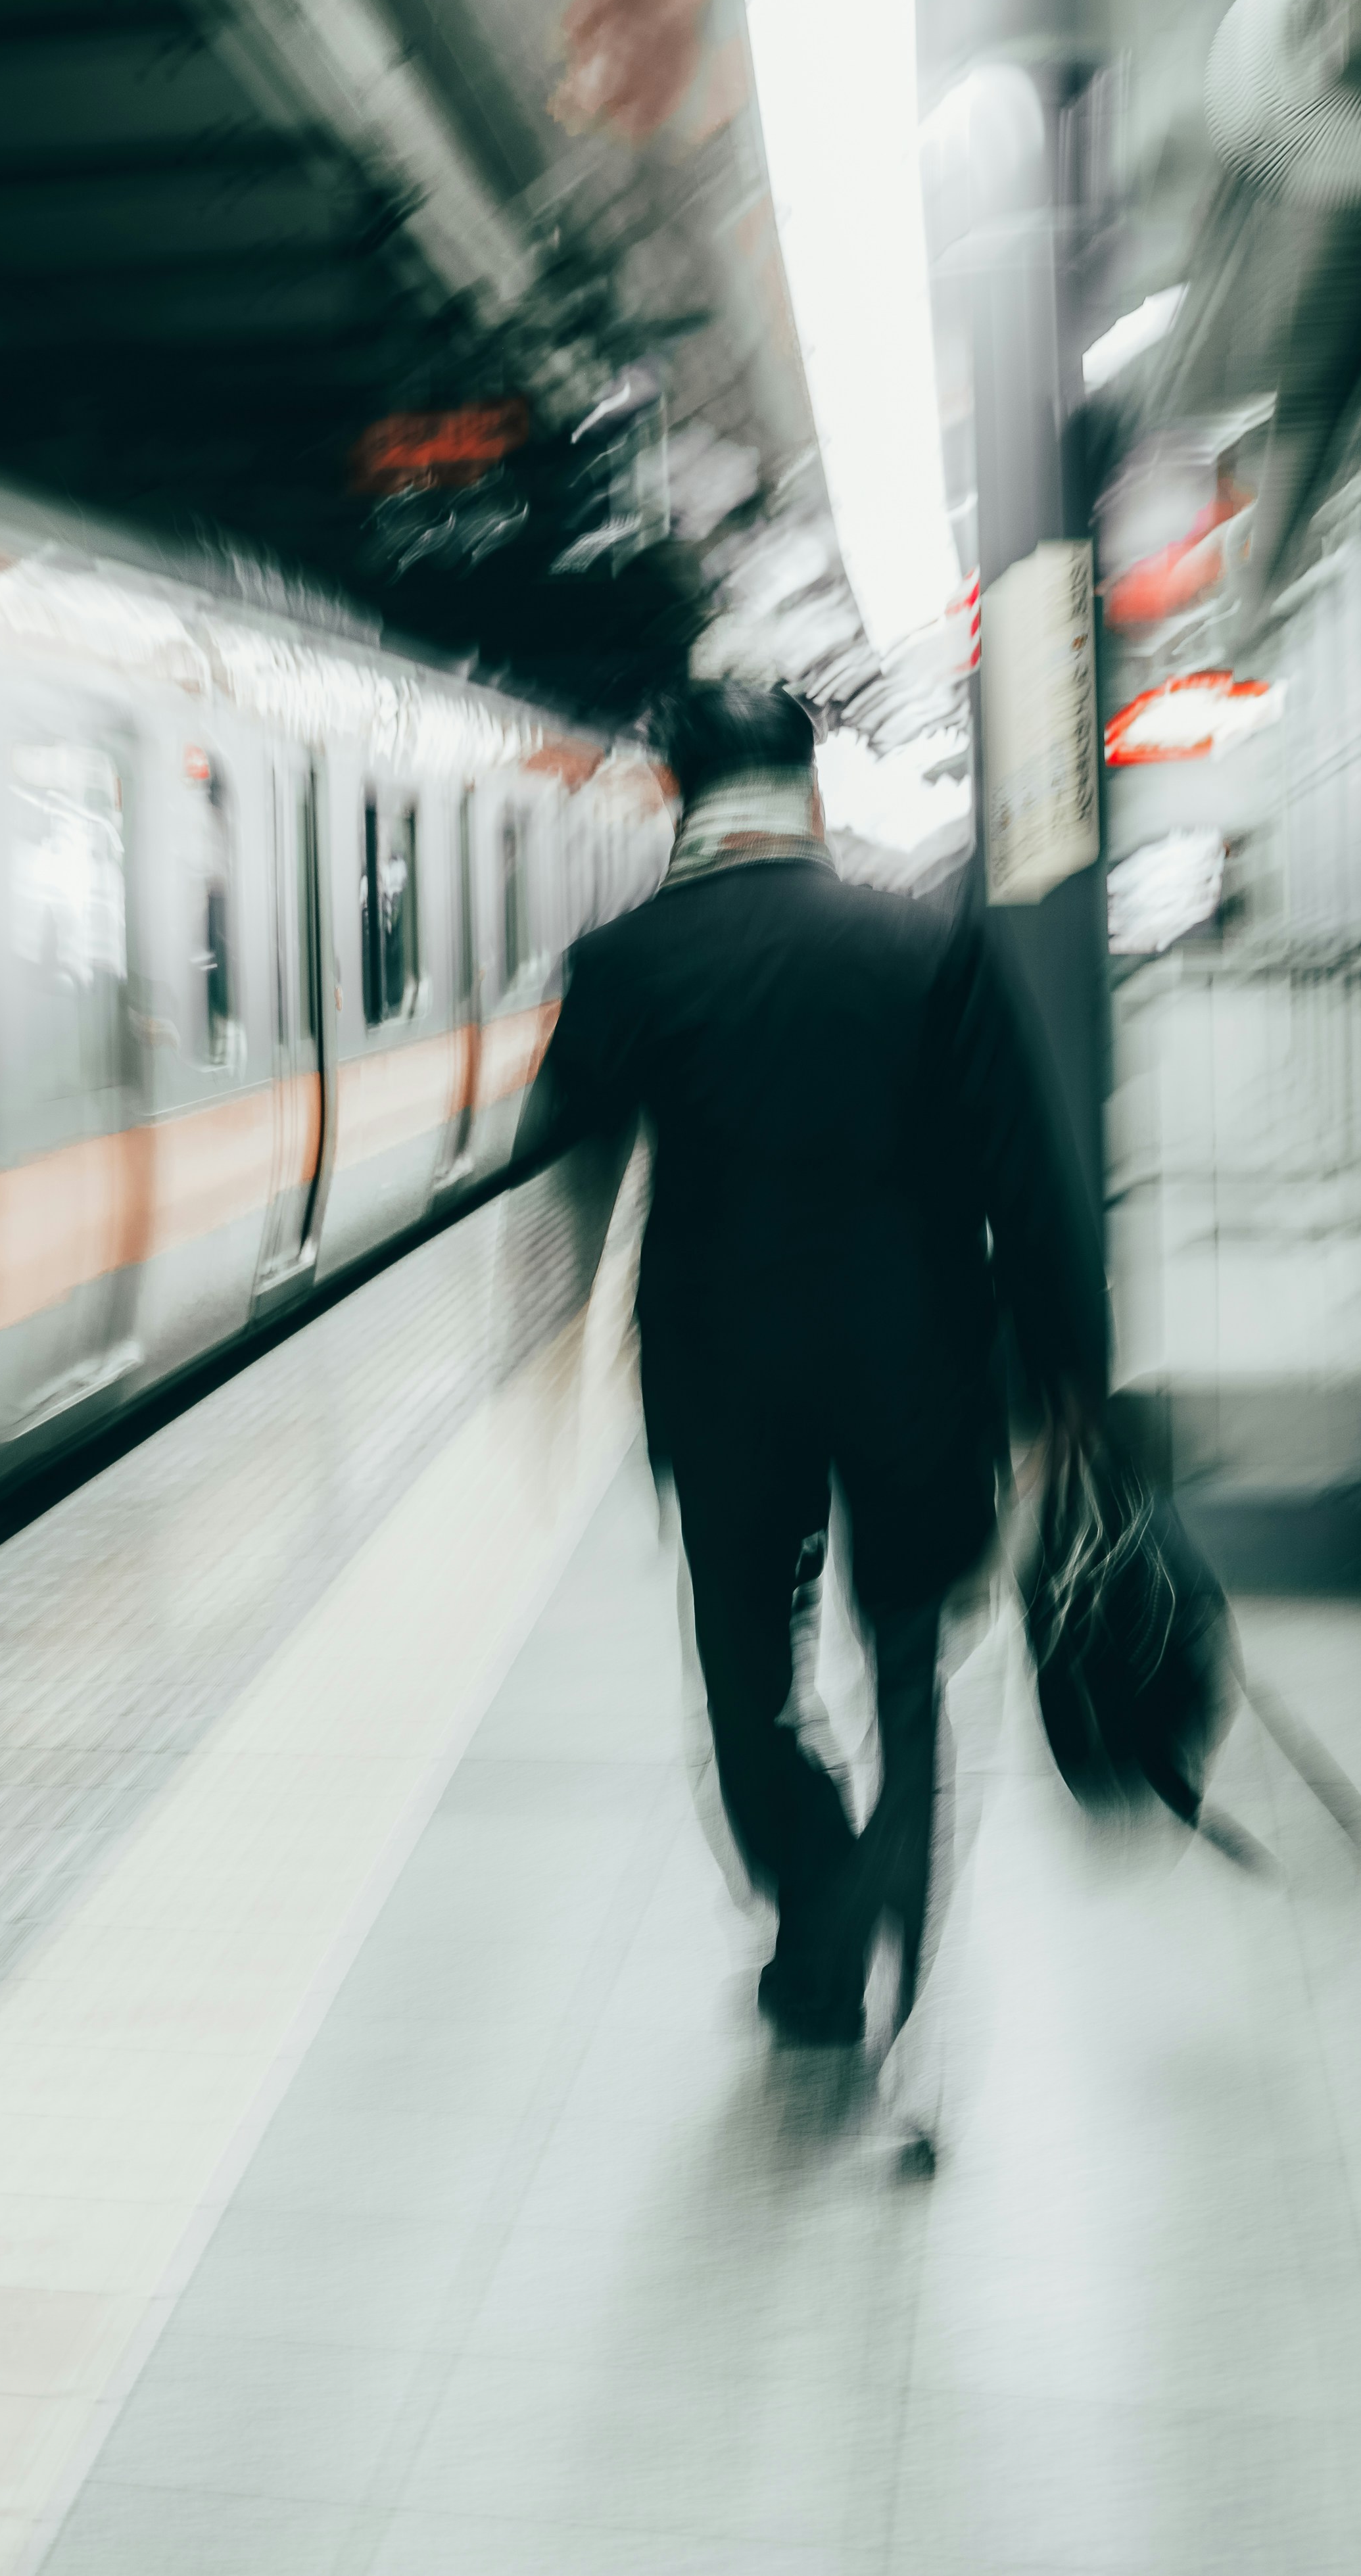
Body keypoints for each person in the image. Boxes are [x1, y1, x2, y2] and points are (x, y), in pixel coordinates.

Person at [525, 682, 1108, 2045]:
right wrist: (1074, 1377)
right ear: (812, 788)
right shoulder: (922, 943)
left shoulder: (623, 963)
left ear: (677, 793)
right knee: (908, 1673)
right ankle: (884, 1923)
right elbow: (1029, 1182)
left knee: (749, 1679)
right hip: (922, 1379)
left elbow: (563, 1179)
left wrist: (545, 1355)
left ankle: (821, 1921)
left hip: (723, 1393)